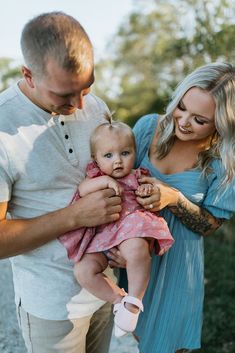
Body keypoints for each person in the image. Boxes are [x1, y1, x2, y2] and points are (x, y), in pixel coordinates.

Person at [0, 12, 123, 353]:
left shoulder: (97, 107)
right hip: (50, 307)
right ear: (28, 75)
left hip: (103, 290)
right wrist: (75, 216)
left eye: (88, 86)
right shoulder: (2, 126)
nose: (81, 105)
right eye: (65, 95)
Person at [116, 62, 235, 353]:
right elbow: (119, 177)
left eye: (199, 120)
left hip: (179, 266)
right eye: (181, 107)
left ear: (221, 123)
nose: (182, 121)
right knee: (138, 336)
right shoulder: (147, 128)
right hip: (134, 256)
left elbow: (211, 225)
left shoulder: (224, 161)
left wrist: (174, 199)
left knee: (170, 345)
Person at [58, 120, 174, 337]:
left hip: (131, 229)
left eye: (125, 153)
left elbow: (154, 188)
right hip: (102, 237)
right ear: (95, 159)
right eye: (108, 156)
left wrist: (148, 188)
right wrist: (103, 183)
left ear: (134, 152)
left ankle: (134, 302)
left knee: (136, 251)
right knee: (83, 270)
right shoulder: (96, 177)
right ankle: (119, 300)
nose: (118, 161)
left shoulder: (138, 175)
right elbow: (83, 189)